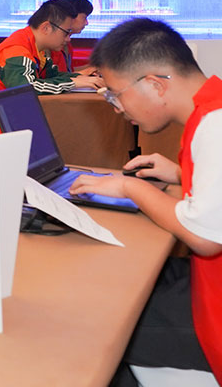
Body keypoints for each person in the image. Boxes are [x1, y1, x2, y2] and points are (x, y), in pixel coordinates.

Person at [68, 19, 222, 384]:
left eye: (115, 94)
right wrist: (181, 174)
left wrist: (130, 188)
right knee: (122, 284)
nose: (116, 107)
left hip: (213, 311)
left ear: (155, 84)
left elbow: (205, 237)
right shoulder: (211, 108)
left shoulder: (214, 125)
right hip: (207, 283)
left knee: (102, 324)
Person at [0, 0, 103, 136]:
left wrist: (82, 78)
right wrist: (73, 82)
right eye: (66, 32)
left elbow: (52, 76)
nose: (68, 39)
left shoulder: (35, 46)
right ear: (46, 28)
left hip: (5, 120)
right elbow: (26, 89)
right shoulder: (17, 50)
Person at [51, 0, 93, 73]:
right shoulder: (52, 44)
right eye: (84, 17)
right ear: (70, 16)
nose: (86, 23)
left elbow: (67, 72)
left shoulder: (66, 44)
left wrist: (93, 68)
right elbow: (55, 77)